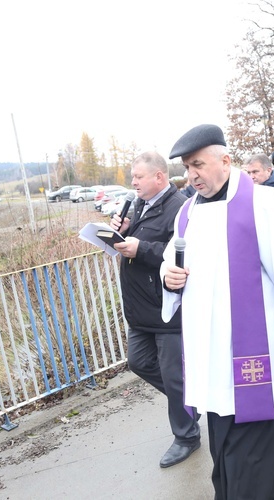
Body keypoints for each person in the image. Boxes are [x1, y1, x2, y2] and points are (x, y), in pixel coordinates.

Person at [162, 124, 274, 499]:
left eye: (198, 164)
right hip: (208, 349)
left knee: (247, 429)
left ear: (225, 160)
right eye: (187, 168)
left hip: (248, 348)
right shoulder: (186, 214)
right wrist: (169, 277)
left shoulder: (262, 203)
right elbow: (170, 261)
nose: (192, 175)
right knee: (226, 421)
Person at [109, 152, 200, 468]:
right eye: (133, 177)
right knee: (139, 361)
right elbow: (139, 240)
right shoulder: (137, 205)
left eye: (138, 176)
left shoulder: (178, 209)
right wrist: (121, 232)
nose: (133, 181)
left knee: (175, 377)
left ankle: (187, 435)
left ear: (159, 177)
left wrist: (140, 248)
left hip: (165, 307)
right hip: (140, 308)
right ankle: (193, 400)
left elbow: (184, 252)